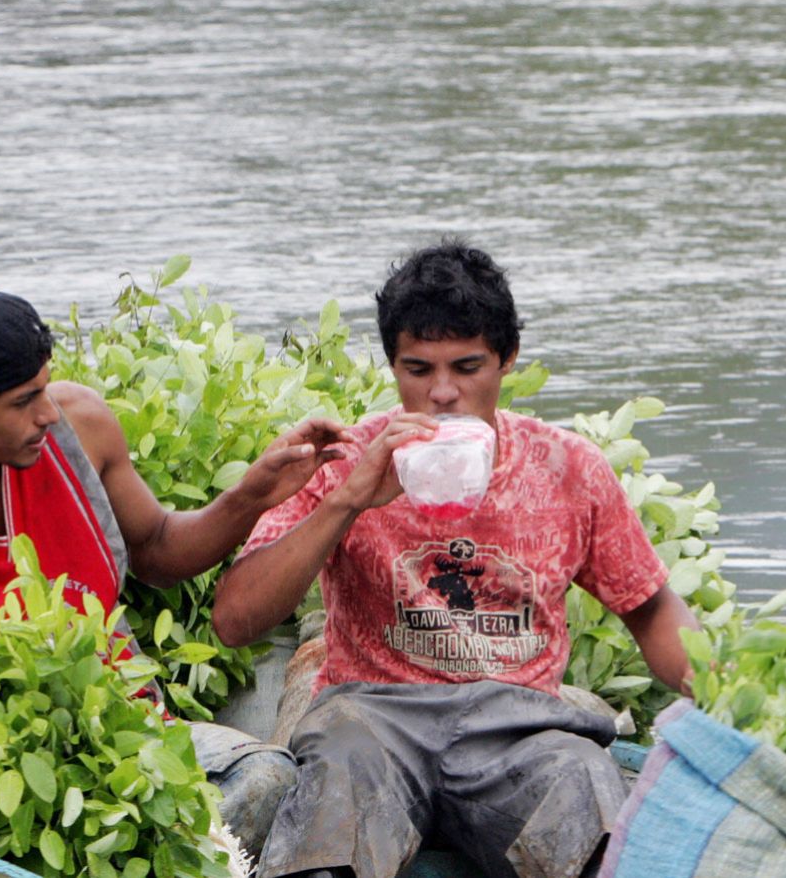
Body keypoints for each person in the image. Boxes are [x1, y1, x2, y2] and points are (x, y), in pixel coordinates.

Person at [212, 240, 701, 878]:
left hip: (519, 728)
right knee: (336, 791)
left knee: (585, 786)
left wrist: (727, 697)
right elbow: (235, 619)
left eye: (467, 367)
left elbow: (651, 609)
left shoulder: (568, 467)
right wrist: (350, 502)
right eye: (418, 370)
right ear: (393, 367)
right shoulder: (348, 461)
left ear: (507, 361)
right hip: (373, 717)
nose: (443, 393)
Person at [0, 290, 351, 853]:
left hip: (138, 731)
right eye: (25, 401)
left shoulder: (79, 429)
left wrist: (250, 497)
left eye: (45, 387)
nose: (48, 411)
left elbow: (159, 549)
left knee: (269, 778)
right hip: (8, 783)